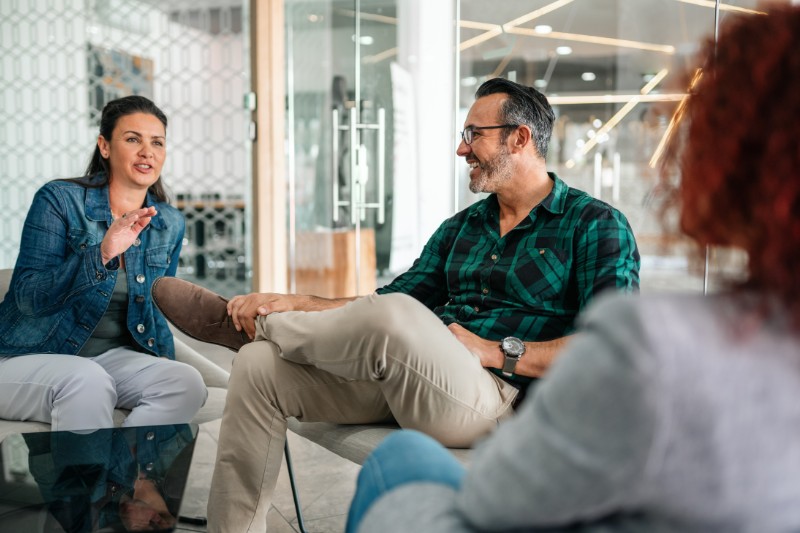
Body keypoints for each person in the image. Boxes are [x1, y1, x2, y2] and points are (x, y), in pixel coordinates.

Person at [345, 7, 800, 532]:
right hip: (469, 395)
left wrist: (495, 353)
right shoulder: (463, 226)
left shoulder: (650, 332)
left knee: (398, 460)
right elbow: (403, 292)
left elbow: (497, 500)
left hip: (500, 415)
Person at [152, 77, 640, 532]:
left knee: (401, 315)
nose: (461, 148)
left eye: (474, 134)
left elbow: (612, 352)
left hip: (499, 402)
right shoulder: (463, 228)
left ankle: (259, 328)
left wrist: (496, 352)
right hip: (415, 382)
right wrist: (294, 301)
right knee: (259, 368)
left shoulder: (595, 225)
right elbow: (384, 302)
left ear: (520, 138)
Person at [0, 95, 207, 431]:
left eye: (157, 143)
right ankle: (85, 484)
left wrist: (165, 358)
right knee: (87, 379)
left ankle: (125, 480)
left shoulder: (168, 222)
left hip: (108, 360)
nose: (147, 152)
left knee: (185, 382)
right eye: (132, 139)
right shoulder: (59, 200)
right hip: (26, 354)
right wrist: (102, 254)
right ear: (105, 147)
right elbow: (28, 297)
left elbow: (157, 308)